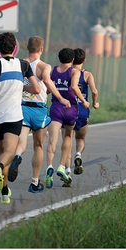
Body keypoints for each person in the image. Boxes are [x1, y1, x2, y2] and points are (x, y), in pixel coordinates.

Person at [0, 32, 40, 204]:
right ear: (15, 48)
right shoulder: (24, 65)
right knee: (9, 152)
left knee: (1, 152)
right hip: (13, 116)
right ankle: (0, 167)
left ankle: (4, 192)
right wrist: (20, 87)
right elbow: (37, 89)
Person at [6, 36, 71, 193]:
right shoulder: (44, 66)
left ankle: (17, 156)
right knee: (38, 145)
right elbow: (48, 82)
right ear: (41, 49)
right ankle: (34, 182)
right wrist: (61, 98)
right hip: (38, 109)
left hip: (20, 107)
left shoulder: (17, 64)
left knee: (21, 143)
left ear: (27, 48)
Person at [45, 48, 89, 188]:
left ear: (59, 58)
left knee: (52, 139)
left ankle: (49, 166)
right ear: (72, 60)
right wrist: (84, 101)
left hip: (56, 107)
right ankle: (61, 166)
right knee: (68, 137)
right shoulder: (74, 72)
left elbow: (47, 89)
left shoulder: (54, 71)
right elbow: (75, 87)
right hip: (71, 108)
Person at [62, 48, 99, 182]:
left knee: (67, 140)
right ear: (84, 60)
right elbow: (94, 91)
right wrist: (95, 103)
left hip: (67, 110)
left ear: (71, 60)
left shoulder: (67, 73)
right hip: (83, 111)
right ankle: (78, 154)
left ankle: (67, 171)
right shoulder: (87, 75)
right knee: (81, 139)